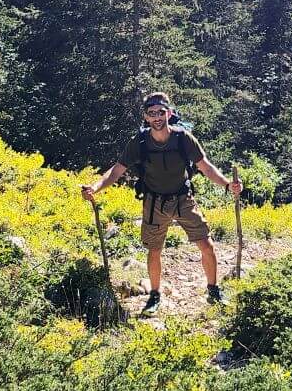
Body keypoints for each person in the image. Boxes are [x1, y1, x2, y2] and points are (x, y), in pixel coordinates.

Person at [81, 91, 241, 318]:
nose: (157, 117)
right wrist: (95, 187)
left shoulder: (183, 138)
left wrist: (227, 185)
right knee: (154, 250)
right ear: (146, 117)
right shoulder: (140, 142)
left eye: (161, 112)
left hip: (183, 199)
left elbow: (205, 166)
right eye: (151, 113)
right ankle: (155, 295)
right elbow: (117, 170)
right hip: (154, 201)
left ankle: (213, 290)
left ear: (169, 113)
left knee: (206, 244)